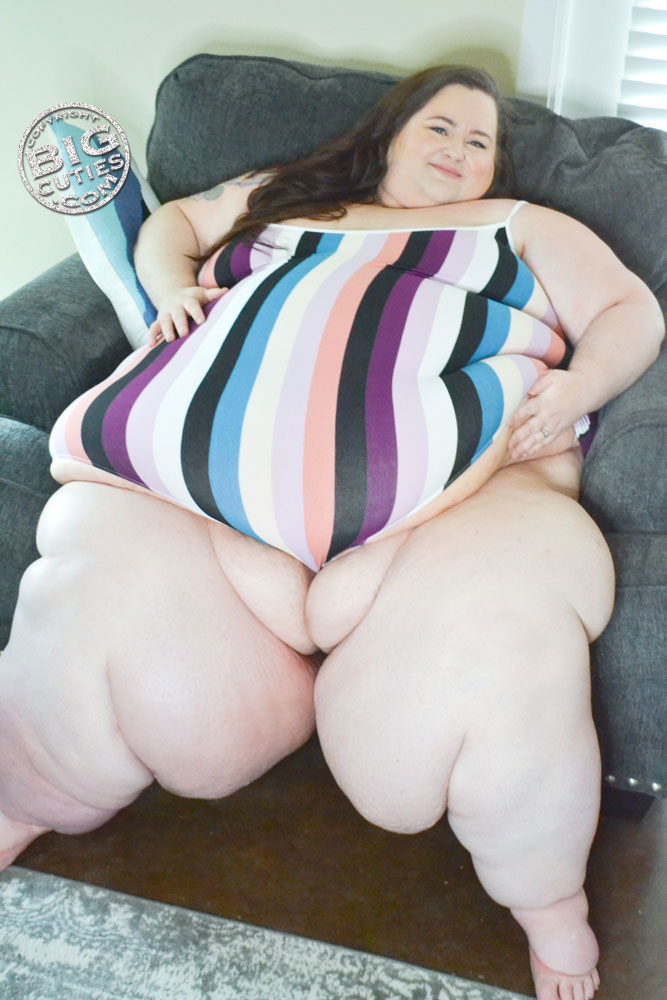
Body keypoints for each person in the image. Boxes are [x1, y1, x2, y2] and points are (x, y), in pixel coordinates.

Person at [0, 65, 663, 1000]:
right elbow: (172, 223)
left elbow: (630, 311)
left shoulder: (521, 225)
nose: (459, 150)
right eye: (440, 127)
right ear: (388, 135)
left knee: (508, 636)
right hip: (193, 514)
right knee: (81, 590)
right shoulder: (285, 198)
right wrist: (172, 284)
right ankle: (25, 795)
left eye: (479, 141)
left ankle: (547, 903)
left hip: (458, 510)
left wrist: (576, 389)